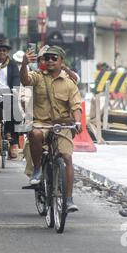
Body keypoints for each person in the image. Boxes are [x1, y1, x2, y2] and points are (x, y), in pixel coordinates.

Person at [20, 45, 82, 213]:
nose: (50, 61)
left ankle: (68, 199)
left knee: (67, 158)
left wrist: (77, 122)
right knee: (34, 133)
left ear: (61, 61)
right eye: (47, 58)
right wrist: (24, 64)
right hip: (41, 123)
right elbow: (25, 81)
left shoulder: (69, 83)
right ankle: (38, 170)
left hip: (62, 126)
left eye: (54, 58)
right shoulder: (38, 77)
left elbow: (76, 106)